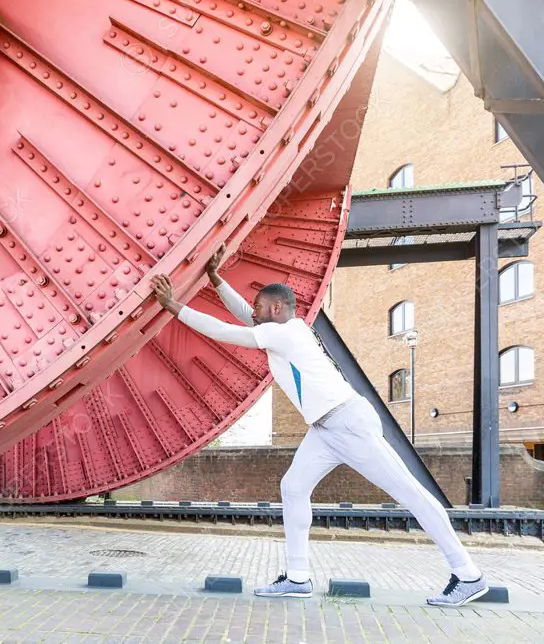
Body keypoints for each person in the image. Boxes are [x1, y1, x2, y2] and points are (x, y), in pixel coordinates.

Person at [150, 244, 488, 608]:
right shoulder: (284, 330)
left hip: (348, 422)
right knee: (293, 488)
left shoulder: (285, 332)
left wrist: (173, 307)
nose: (255, 313)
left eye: (261, 308)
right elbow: (245, 317)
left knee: (411, 493)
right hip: (326, 429)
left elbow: (223, 330)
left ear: (276, 308)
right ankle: (297, 578)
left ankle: (468, 575)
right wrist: (216, 280)